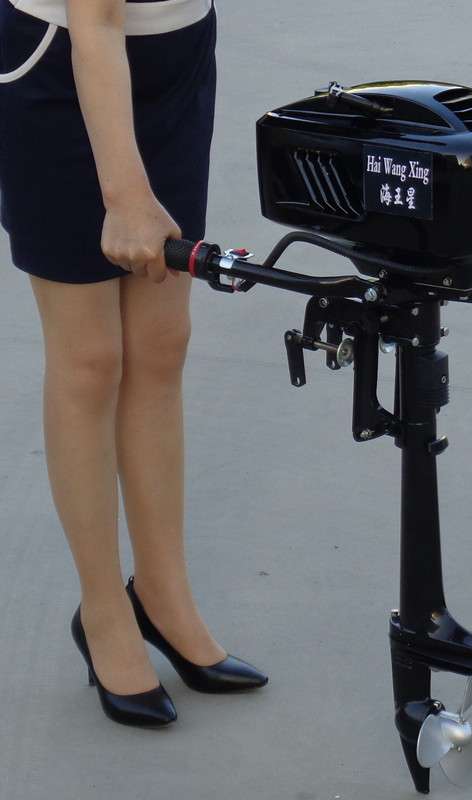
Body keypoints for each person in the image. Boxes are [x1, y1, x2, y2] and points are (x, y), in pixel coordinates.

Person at [0, 0, 267, 728]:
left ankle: (162, 595)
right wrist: (124, 195)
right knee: (89, 360)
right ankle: (103, 611)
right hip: (63, 59)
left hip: (174, 53)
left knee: (160, 344)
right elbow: (96, 22)